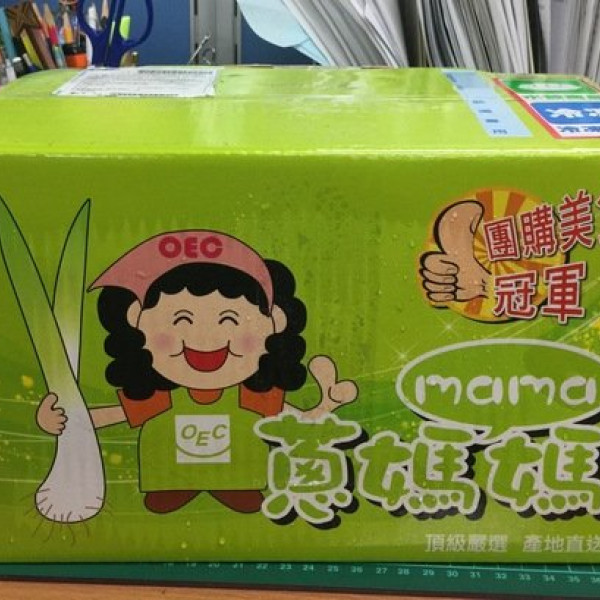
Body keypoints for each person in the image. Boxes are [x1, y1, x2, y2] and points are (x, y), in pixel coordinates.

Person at [37, 230, 358, 515]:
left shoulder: (251, 392)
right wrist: (60, 421)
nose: (208, 339)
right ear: (136, 321)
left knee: (242, 489)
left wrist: (326, 405)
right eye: (181, 320)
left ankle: (231, 485)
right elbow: (111, 415)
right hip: (169, 478)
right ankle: (178, 486)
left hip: (239, 477)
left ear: (274, 323)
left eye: (230, 320)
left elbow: (296, 423)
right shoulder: (160, 396)